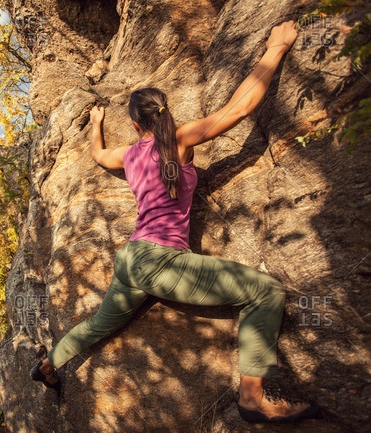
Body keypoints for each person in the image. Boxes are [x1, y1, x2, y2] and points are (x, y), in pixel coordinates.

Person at [30, 20, 320, 423]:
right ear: (165, 109)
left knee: (98, 325)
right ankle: (252, 398)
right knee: (266, 291)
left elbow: (98, 156)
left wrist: (95, 125)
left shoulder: (129, 155)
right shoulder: (180, 140)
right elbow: (238, 108)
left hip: (131, 259)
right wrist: (276, 48)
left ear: (135, 124)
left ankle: (47, 365)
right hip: (161, 261)